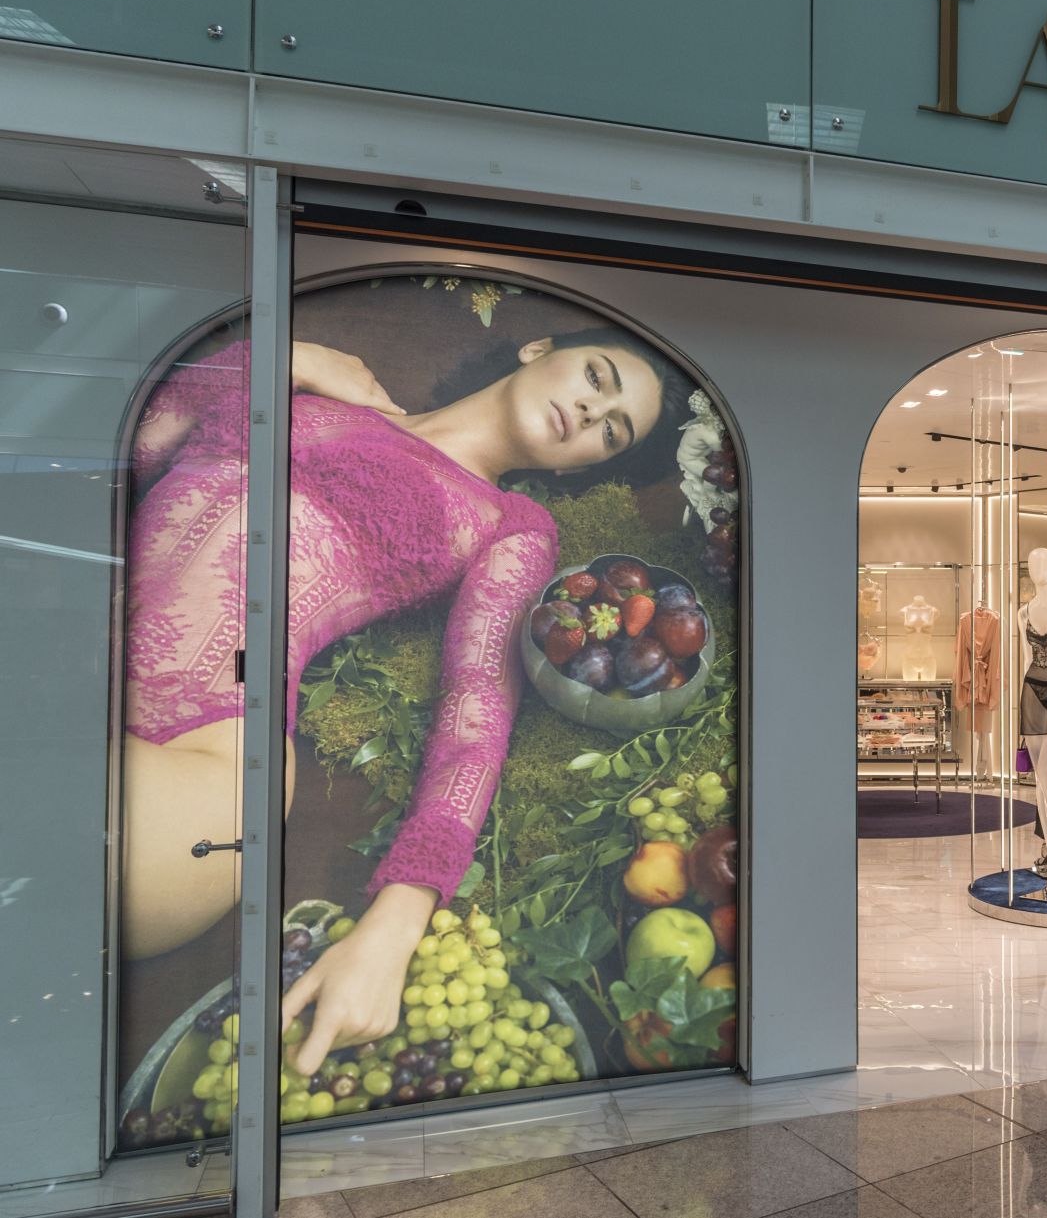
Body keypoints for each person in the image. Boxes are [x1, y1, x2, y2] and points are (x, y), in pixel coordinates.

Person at [122, 324, 683, 1073]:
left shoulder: (512, 525)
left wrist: (394, 925)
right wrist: (299, 357)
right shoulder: (326, 387)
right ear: (536, 348)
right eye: (596, 378)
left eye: (611, 432)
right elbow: (143, 441)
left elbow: (476, 713)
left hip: (204, 750)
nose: (589, 415)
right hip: (64, 655)